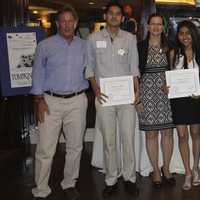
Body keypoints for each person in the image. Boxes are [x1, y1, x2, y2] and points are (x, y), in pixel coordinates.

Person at [31, 5, 88, 200]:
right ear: (57, 24)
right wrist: (39, 100)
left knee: (75, 146)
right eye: (62, 21)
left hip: (78, 101)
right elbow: (37, 73)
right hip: (50, 102)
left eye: (70, 20)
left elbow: (92, 71)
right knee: (45, 148)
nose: (66, 24)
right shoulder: (45, 46)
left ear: (76, 23)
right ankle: (41, 189)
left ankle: (69, 183)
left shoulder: (84, 46)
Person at [86, 2, 140, 198]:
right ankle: (111, 179)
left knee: (127, 138)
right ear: (105, 15)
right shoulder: (93, 38)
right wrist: (96, 90)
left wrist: (137, 91)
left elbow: (134, 68)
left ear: (122, 18)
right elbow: (89, 68)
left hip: (126, 98)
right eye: (111, 13)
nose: (115, 17)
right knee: (109, 141)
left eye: (118, 14)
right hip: (104, 97)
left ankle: (130, 178)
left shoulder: (130, 38)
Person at [137, 13, 175, 188]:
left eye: (159, 24)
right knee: (151, 134)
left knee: (167, 133)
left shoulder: (170, 47)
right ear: (148, 26)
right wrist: (137, 98)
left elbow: (174, 71)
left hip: (166, 95)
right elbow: (134, 74)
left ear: (163, 27)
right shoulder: (140, 47)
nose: (156, 27)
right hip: (146, 94)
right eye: (153, 23)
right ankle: (156, 171)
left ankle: (166, 168)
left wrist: (169, 84)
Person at [169, 20, 200, 190]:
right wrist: (165, 86)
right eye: (181, 33)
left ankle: (196, 169)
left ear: (193, 34)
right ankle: (187, 171)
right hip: (178, 100)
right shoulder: (174, 53)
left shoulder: (199, 53)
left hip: (196, 100)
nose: (184, 36)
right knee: (182, 136)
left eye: (188, 33)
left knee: (196, 134)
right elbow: (169, 78)